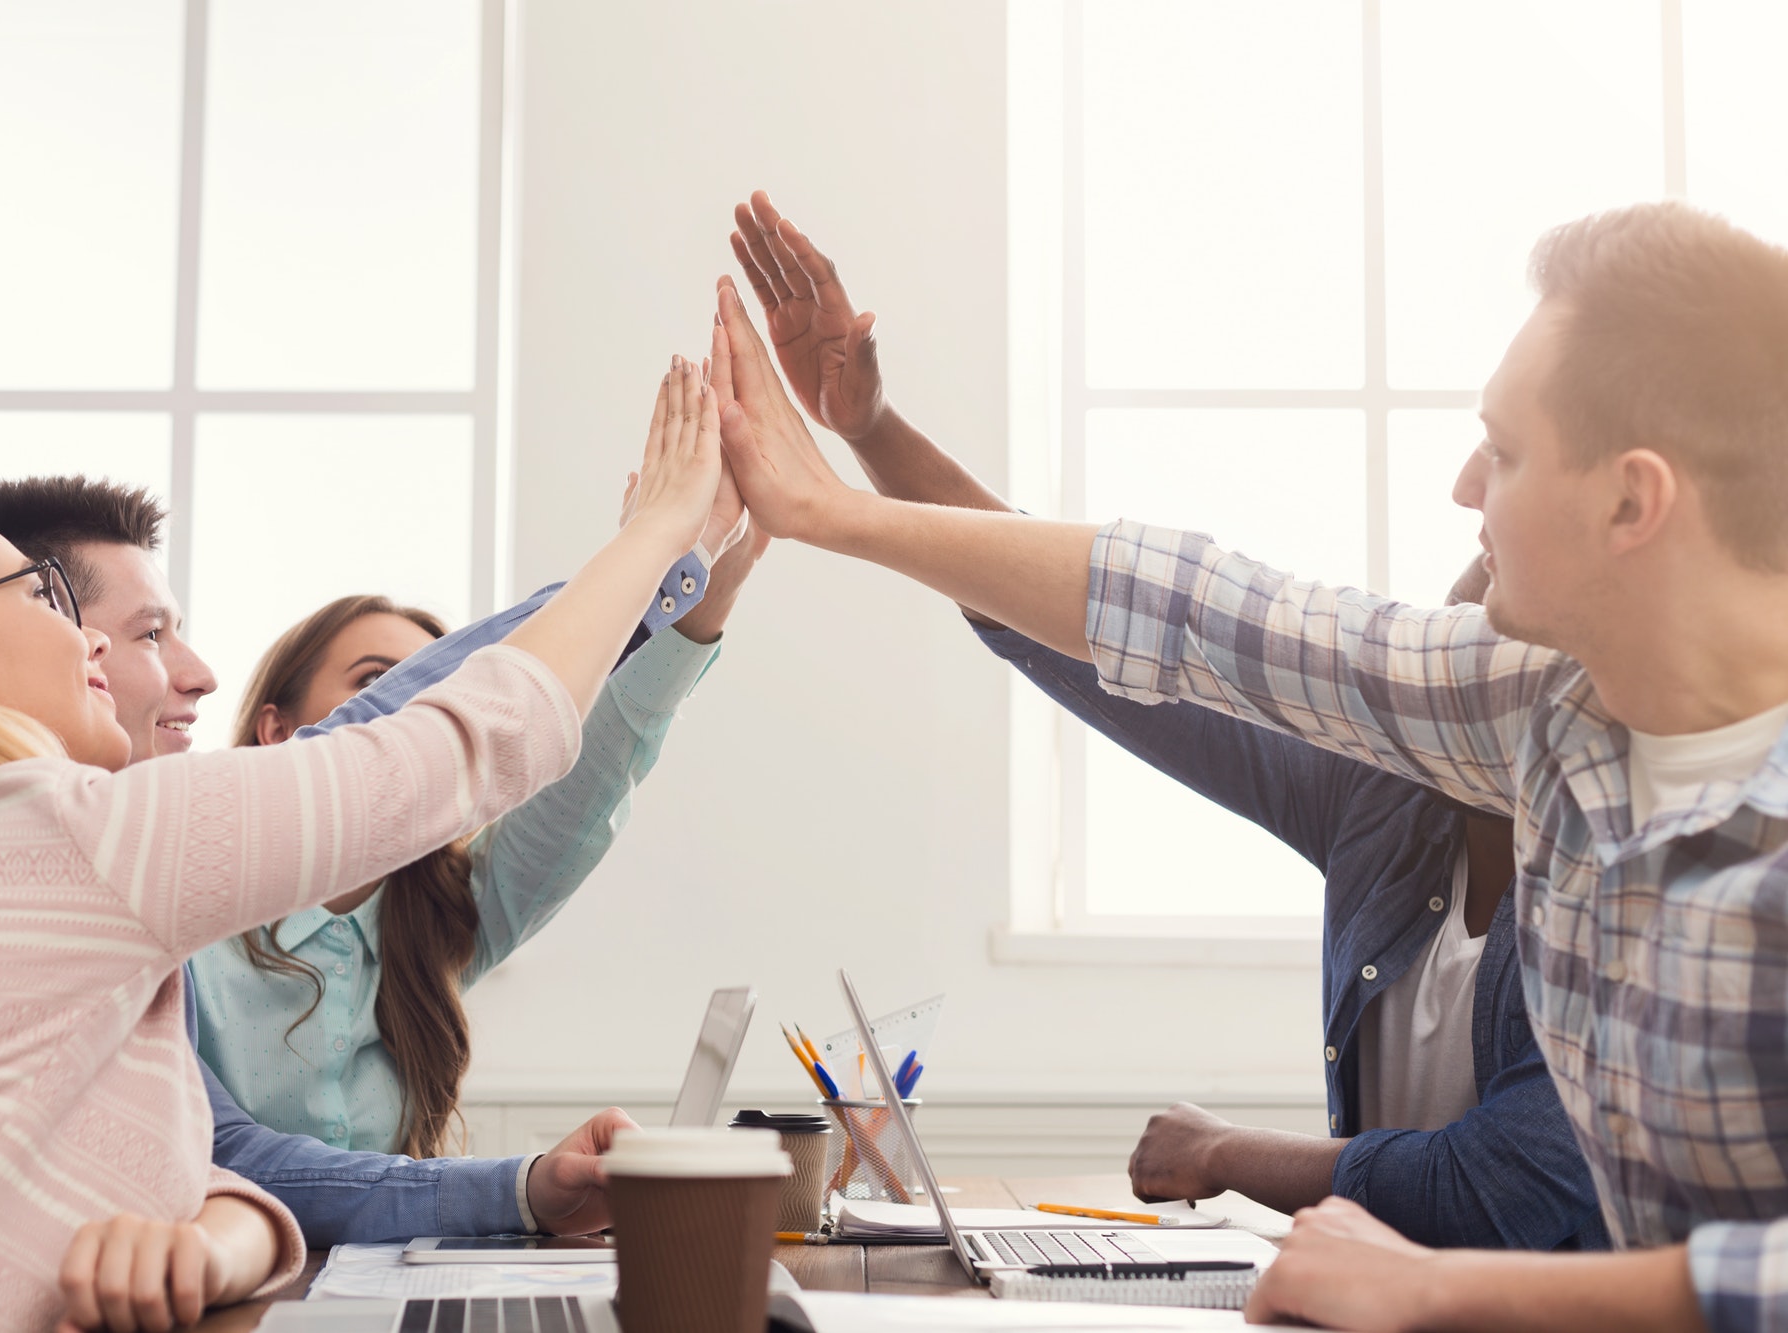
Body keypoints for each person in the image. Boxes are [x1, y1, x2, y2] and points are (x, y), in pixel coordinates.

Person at [711, 197, 1788, 1332]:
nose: (1465, 488)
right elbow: (1202, 616)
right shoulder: (1541, 708)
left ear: (1631, 500)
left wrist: (1425, 1284)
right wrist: (841, 497)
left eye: (1505, 452)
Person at [0, 356, 726, 1332]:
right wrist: (661, 534)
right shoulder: (61, 835)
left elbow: (213, 1159)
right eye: (45, 600)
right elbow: (454, 743)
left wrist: (227, 1230)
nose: (94, 644)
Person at [0, 455, 757, 1245]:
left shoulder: (419, 921)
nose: (197, 674)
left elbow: (593, 773)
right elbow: (426, 732)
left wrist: (687, 579)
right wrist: (652, 555)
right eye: (150, 633)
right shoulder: (117, 858)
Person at [191, 530, 761, 1164]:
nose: (421, 718)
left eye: (445, 691)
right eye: (382, 683)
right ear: (278, 730)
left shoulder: (443, 923)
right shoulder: (185, 923)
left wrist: (720, 562)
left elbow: (599, 770)